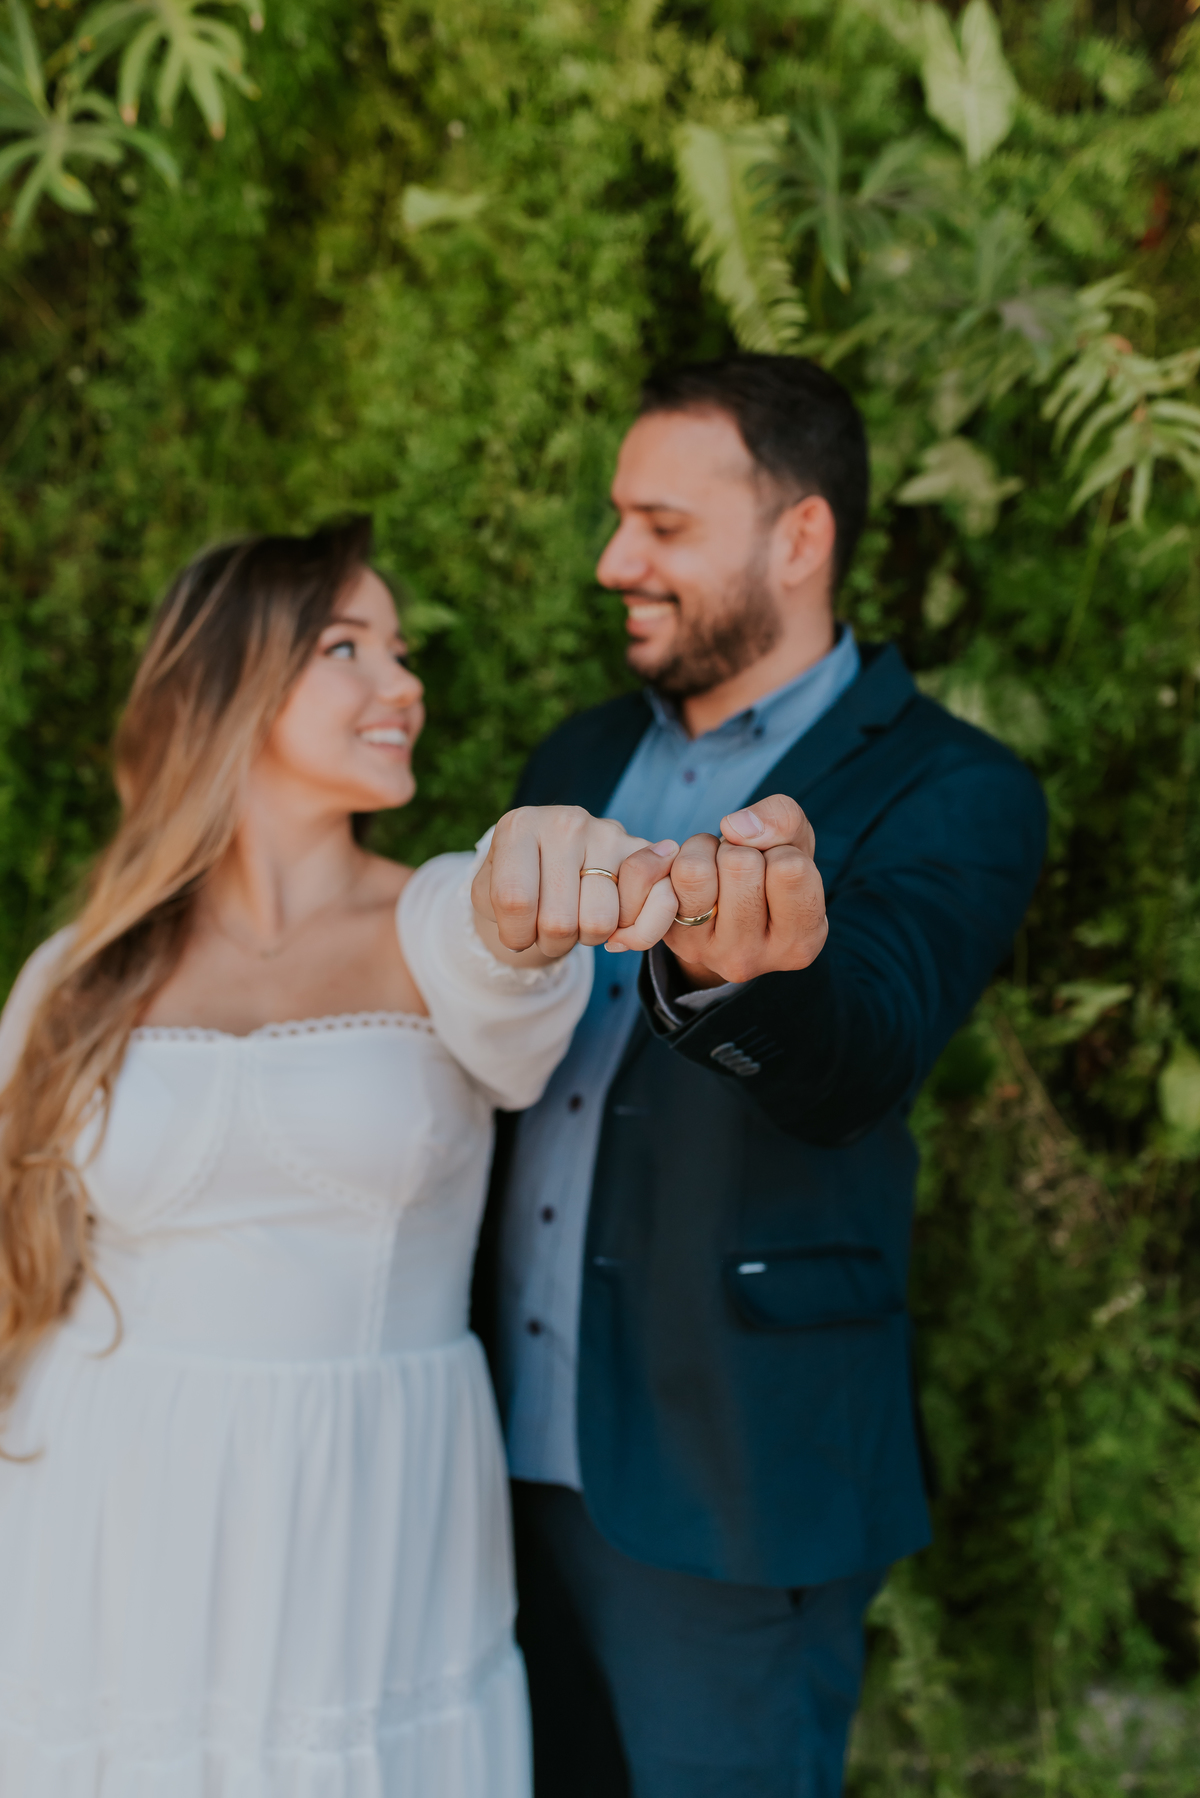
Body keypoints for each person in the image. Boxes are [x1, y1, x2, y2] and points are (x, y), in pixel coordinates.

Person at [0, 519, 685, 1795]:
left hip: (367, 1501)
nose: (405, 682)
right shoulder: (77, 973)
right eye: (347, 645)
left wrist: (536, 890)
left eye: (402, 648)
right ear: (227, 682)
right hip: (102, 1496)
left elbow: (506, 951)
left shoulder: (431, 917)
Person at [478, 355, 1048, 1797]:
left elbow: (864, 1049)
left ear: (800, 538)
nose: (617, 561)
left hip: (729, 1477)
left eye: (662, 526)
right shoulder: (579, 751)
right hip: (493, 1457)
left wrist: (746, 971)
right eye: (620, 518)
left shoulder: (955, 789)